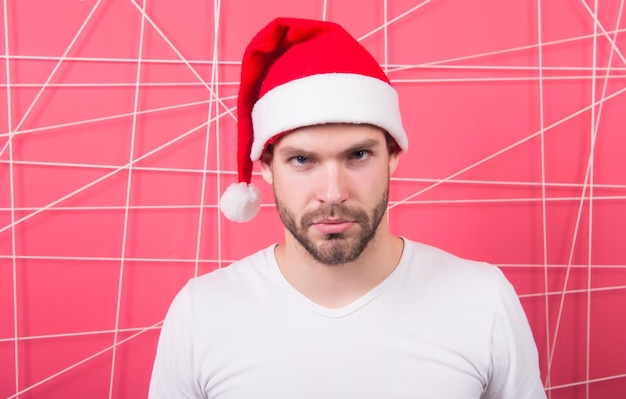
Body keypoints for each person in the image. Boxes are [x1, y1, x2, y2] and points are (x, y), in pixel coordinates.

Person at [149, 17, 547, 398]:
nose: (333, 192)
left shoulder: (482, 300)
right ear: (267, 167)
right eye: (302, 160)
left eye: (357, 155)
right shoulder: (202, 313)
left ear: (392, 154)